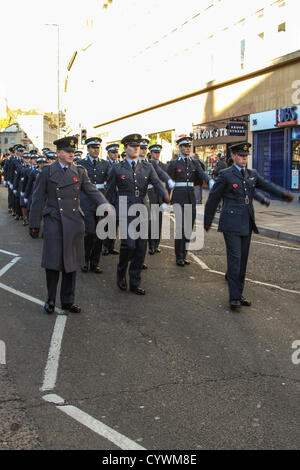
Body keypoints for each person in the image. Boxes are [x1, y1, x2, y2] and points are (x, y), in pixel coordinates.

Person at [204, 142, 294, 310]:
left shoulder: (252, 174)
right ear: (233, 156)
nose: (244, 159)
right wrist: (207, 220)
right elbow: (213, 198)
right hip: (230, 223)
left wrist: (283, 195)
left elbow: (266, 185)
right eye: (240, 155)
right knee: (235, 260)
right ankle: (233, 298)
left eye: (246, 156)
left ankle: (239, 293)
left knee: (243, 261)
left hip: (246, 222)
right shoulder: (225, 174)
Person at [29, 136, 111, 314]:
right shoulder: (47, 171)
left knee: (71, 264)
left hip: (74, 222)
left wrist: (105, 205)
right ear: (58, 152)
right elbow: (37, 199)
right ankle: (50, 298)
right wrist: (34, 223)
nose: (71, 154)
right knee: (53, 263)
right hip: (54, 221)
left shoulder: (79, 171)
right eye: (67, 151)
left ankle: (67, 300)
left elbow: (91, 191)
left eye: (73, 152)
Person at [105, 133, 170, 295]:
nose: (136, 149)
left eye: (138, 147)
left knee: (141, 248)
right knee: (128, 245)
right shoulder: (117, 168)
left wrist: (165, 194)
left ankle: (135, 281)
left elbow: (156, 183)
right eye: (133, 146)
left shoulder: (147, 167)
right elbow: (109, 191)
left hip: (143, 210)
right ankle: (121, 273)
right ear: (125, 148)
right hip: (125, 210)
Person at [167, 135, 210, 266]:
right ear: (179, 148)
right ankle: (178, 257)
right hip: (179, 198)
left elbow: (201, 176)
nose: (187, 148)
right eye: (185, 146)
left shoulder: (194, 163)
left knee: (188, 229)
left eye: (189, 146)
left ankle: (184, 255)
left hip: (190, 198)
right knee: (180, 228)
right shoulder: (174, 164)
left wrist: (211, 182)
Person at [79, 137, 110, 273]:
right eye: (93, 148)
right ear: (88, 149)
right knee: (89, 233)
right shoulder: (80, 164)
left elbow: (111, 182)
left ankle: (95, 262)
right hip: (86, 201)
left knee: (100, 234)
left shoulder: (105, 164)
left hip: (101, 201)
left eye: (97, 148)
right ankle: (84, 260)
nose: (96, 150)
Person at [147, 143, 174, 255]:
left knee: (158, 222)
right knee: (151, 222)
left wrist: (165, 200)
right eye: (155, 152)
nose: (157, 154)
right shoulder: (147, 164)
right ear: (151, 153)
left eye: (158, 152)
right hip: (150, 195)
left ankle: (156, 244)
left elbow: (167, 184)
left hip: (160, 197)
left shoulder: (164, 166)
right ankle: (151, 245)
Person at [102, 143, 121, 256]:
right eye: (113, 152)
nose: (115, 154)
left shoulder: (121, 164)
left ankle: (111, 246)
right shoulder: (105, 165)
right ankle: (104, 246)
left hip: (119, 197)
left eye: (116, 152)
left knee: (116, 223)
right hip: (109, 196)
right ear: (108, 153)